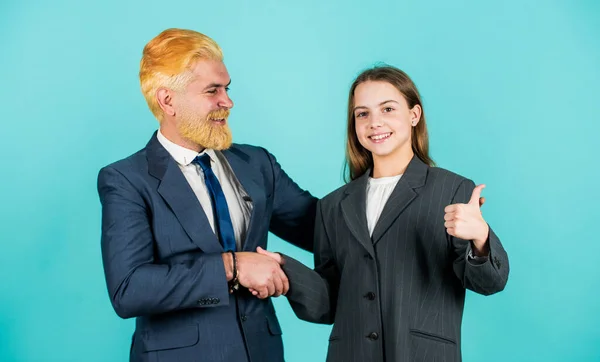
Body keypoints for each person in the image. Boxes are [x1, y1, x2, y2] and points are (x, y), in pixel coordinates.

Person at [257, 65, 510, 362]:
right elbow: (329, 304)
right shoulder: (333, 206)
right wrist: (285, 269)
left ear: (414, 115)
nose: (374, 122)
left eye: (387, 109)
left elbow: (490, 283)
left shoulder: (452, 190)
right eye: (362, 113)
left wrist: (480, 238)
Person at [97, 28, 317, 362]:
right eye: (212, 90)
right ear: (168, 100)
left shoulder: (256, 163)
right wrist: (232, 265)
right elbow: (130, 289)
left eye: (226, 88)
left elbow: (321, 227)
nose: (227, 101)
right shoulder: (126, 179)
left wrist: (390, 182)